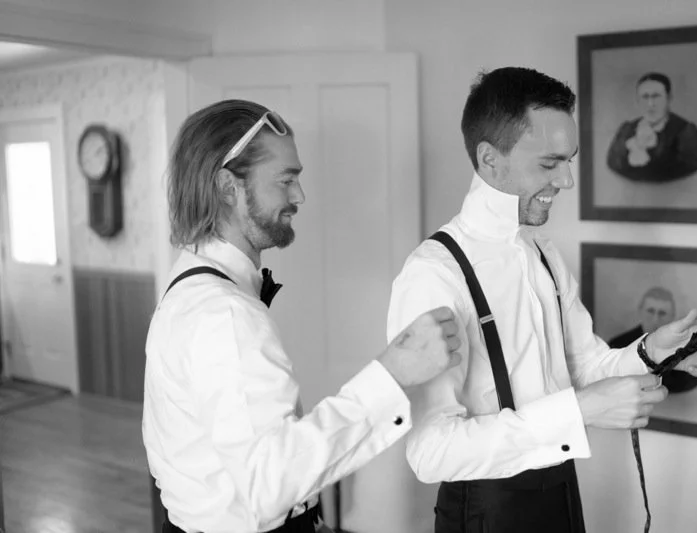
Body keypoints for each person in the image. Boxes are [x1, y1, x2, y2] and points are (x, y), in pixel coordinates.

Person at [386, 67, 697, 533]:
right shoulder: (433, 275)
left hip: (562, 495)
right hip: (484, 512)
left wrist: (649, 354)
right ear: (489, 160)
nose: (567, 181)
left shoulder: (543, 253)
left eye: (570, 161)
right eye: (549, 163)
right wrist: (579, 411)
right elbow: (430, 452)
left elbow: (584, 365)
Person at [142, 100, 462, 533]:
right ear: (227, 187)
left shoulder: (191, 283)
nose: (299, 196)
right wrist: (394, 370)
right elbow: (267, 486)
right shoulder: (224, 315)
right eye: (285, 180)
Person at [606, 72, 697, 182]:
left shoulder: (686, 131)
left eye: (656, 96)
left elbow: (689, 166)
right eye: (645, 97)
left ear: (669, 98)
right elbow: (614, 163)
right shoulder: (627, 129)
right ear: (638, 100)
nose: (650, 104)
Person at [608, 287, 697, 393]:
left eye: (662, 313)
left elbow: (691, 381)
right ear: (640, 311)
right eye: (650, 311)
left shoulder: (685, 345)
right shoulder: (617, 344)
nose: (655, 319)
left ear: (672, 316)